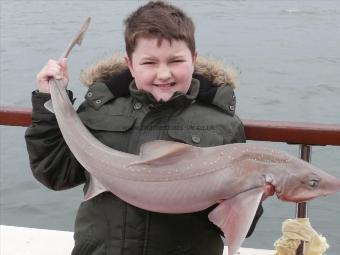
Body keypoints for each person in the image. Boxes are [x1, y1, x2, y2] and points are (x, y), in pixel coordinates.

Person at [25, 1, 273, 255]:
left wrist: (252, 198)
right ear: (130, 64)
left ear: (194, 60)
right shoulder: (99, 110)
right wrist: (49, 98)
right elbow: (54, 173)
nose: (163, 74)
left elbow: (235, 226)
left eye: (175, 60)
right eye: (149, 63)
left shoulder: (222, 125)